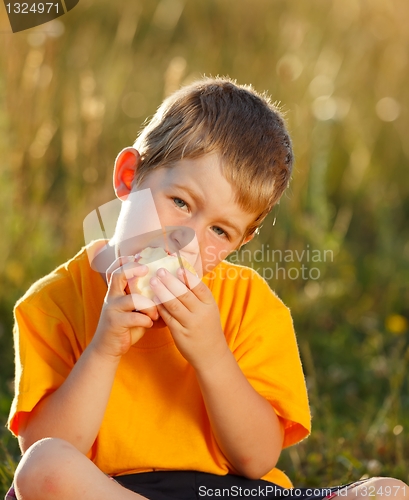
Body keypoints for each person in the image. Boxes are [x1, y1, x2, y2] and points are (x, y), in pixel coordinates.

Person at [5, 78, 408, 500]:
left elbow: (256, 460)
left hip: (227, 493)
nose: (189, 243)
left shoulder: (250, 304)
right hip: (111, 490)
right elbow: (42, 447)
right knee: (44, 469)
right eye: (180, 202)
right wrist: (104, 349)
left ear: (241, 242)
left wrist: (213, 355)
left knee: (389, 491)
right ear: (129, 177)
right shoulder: (52, 303)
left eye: (219, 230)